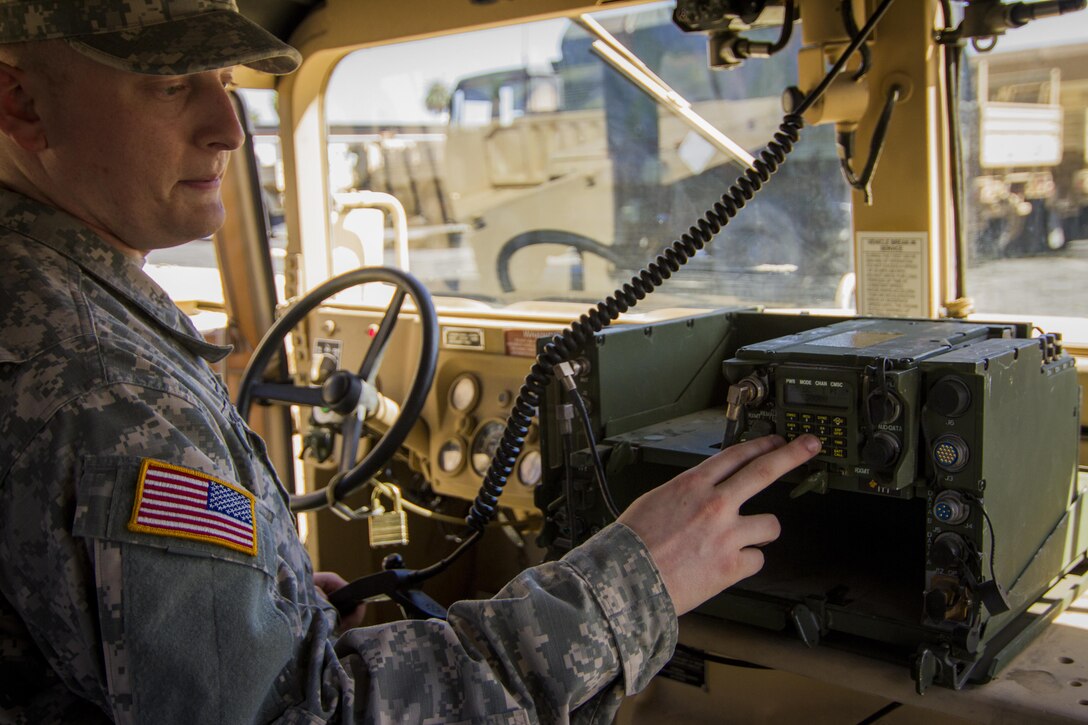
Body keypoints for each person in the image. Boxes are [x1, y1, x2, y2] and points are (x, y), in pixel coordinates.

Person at [0, 2, 821, 722]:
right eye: (172, 82)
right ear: (22, 101)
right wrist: (630, 586)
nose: (230, 126)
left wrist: (276, 605)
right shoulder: (95, 380)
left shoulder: (58, 304)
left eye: (223, 76)